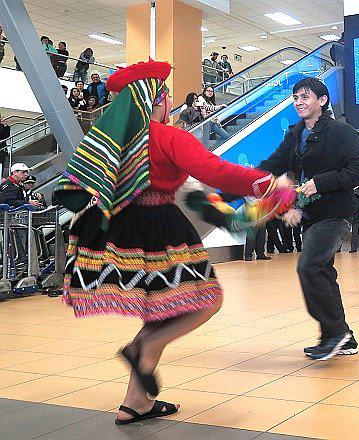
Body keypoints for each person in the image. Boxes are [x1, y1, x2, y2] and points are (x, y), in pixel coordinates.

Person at [53, 60, 287, 424]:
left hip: (118, 230)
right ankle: (144, 346)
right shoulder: (168, 137)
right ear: (156, 100)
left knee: (160, 309)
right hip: (160, 227)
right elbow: (214, 170)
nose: (169, 105)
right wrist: (269, 185)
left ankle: (136, 402)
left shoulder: (108, 139)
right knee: (207, 300)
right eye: (166, 97)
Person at [258, 77, 359, 361]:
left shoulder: (341, 132)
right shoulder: (295, 134)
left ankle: (335, 334)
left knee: (309, 267)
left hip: (336, 212)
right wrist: (238, 179)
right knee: (322, 272)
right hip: (310, 215)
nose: (299, 102)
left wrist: (320, 182)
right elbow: (273, 164)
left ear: (322, 101)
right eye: (296, 97)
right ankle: (343, 337)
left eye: (305, 97)